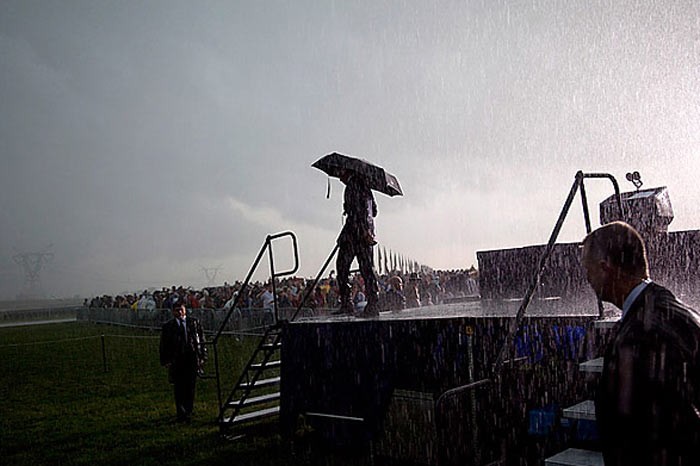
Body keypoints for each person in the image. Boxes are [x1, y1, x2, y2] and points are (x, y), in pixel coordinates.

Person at [580, 221, 700, 465]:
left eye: (588, 270)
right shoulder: (676, 310)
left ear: (606, 268)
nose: (587, 279)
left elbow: (643, 437)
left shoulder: (640, 336)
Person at [334, 170, 380, 317]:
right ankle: (373, 303)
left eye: (340, 173)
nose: (339, 177)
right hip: (365, 234)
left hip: (354, 233)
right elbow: (374, 211)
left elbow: (357, 212)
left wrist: (348, 208)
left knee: (342, 267)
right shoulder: (366, 188)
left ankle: (347, 303)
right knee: (367, 269)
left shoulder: (352, 185)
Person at [159, 301, 207, 423]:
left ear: (185, 310)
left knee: (191, 385)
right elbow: (164, 345)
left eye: (181, 309)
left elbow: (201, 340)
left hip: (191, 358)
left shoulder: (194, 323)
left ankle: (189, 410)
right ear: (173, 312)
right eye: (176, 310)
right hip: (177, 360)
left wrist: (202, 356)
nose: (179, 312)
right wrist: (165, 360)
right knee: (179, 387)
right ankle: (181, 412)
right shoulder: (168, 327)